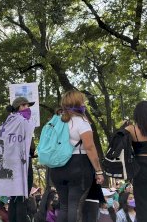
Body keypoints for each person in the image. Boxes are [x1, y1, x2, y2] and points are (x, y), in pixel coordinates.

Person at [50, 90, 104, 222]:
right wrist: (98, 171)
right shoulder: (81, 122)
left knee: (64, 206)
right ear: (78, 103)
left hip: (57, 167)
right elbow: (90, 147)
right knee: (75, 205)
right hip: (78, 166)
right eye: (82, 101)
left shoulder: (55, 122)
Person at [0, 97, 36, 222]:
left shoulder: (7, 122)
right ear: (20, 106)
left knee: (14, 199)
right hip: (22, 164)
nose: (28, 108)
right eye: (26, 105)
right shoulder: (22, 121)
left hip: (9, 164)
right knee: (21, 199)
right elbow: (29, 144)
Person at [125, 101, 147, 221]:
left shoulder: (131, 129)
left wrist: (123, 127)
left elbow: (119, 143)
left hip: (140, 169)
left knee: (142, 203)